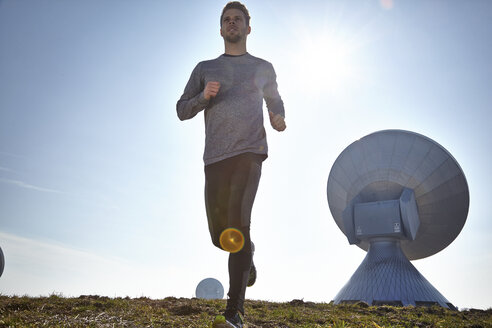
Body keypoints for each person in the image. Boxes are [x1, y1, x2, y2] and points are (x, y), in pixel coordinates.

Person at [176, 2, 286, 327]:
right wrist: (202, 99)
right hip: (215, 157)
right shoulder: (204, 68)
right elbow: (181, 110)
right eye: (227, 20)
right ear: (221, 29)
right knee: (220, 235)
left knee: (239, 222)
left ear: (248, 28)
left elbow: (275, 98)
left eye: (238, 19)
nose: (232, 23)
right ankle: (247, 251)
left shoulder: (263, 66)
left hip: (250, 152)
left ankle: (234, 313)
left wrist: (277, 116)